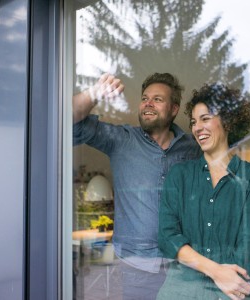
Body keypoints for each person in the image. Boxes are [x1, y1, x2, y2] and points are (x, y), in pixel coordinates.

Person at [73, 73, 201, 299]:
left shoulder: (192, 147)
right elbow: (68, 119)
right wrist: (95, 92)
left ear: (173, 109)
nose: (148, 103)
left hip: (185, 262)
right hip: (138, 266)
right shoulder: (121, 139)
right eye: (144, 98)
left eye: (157, 99)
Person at [157, 83, 250, 300]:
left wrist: (223, 278)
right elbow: (167, 237)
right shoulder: (179, 175)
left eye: (205, 118)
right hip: (180, 293)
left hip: (233, 292)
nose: (197, 127)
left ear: (227, 121)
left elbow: (249, 247)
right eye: (193, 122)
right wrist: (216, 271)